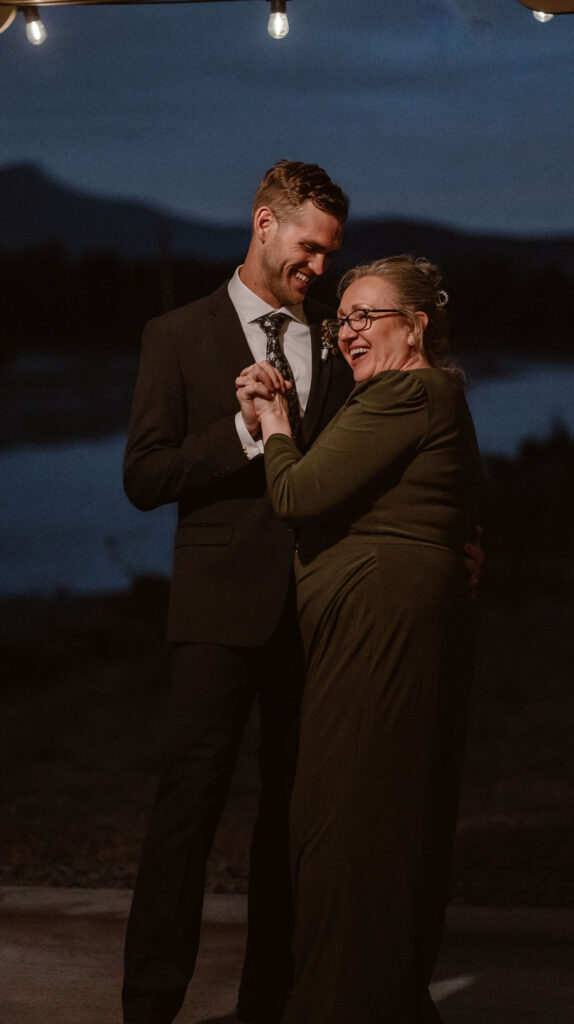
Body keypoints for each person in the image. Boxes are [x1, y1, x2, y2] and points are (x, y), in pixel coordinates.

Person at [121, 160, 353, 1024]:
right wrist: (240, 432)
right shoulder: (174, 335)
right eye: (308, 247)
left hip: (313, 611)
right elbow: (144, 477)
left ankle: (269, 1006)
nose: (319, 269)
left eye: (331, 255)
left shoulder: (335, 338)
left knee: (289, 825)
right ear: (263, 223)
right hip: (216, 615)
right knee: (185, 815)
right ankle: (147, 1007)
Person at [239, 254, 483, 1024]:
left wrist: (273, 424)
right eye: (340, 318)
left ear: (415, 324)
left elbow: (298, 493)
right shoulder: (413, 397)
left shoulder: (408, 390)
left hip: (377, 635)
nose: (347, 332)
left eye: (366, 316)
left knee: (349, 826)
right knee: (360, 818)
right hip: (381, 628)